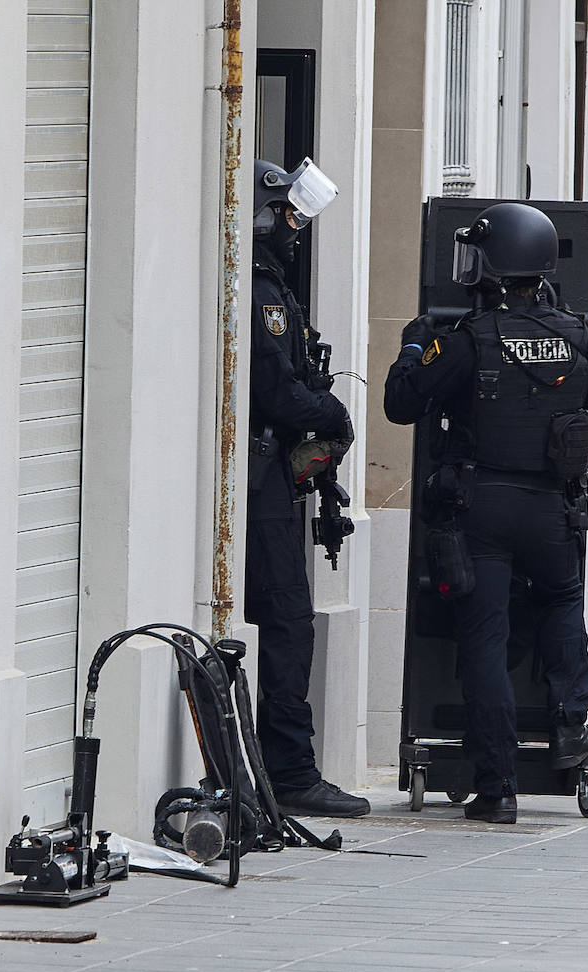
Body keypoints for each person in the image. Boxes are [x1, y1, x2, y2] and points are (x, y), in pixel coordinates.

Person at [384, 202, 588, 824]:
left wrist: (413, 347)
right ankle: (569, 731)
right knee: (563, 608)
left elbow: (402, 405)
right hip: (551, 510)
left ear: (489, 264)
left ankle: (498, 784)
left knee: (484, 639)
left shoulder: (467, 341)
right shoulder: (576, 335)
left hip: (480, 507)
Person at [247, 157, 369, 818]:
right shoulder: (261, 291)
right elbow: (273, 386)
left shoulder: (271, 284)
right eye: (290, 215)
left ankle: (281, 765)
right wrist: (328, 415)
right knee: (288, 623)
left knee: (286, 621)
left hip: (271, 480)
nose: (296, 228)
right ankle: (289, 770)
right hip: (262, 481)